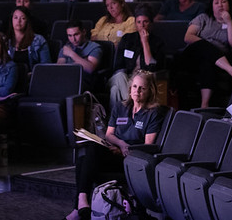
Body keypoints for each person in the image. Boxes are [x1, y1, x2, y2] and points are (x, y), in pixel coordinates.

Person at [69, 70, 164, 220]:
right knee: (89, 148)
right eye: (134, 86)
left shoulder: (154, 113)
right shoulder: (121, 107)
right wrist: (121, 145)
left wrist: (125, 150)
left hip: (132, 160)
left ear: (150, 90)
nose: (137, 91)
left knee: (84, 164)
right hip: (117, 152)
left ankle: (78, 207)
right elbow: (109, 135)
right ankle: (81, 203)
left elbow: (148, 146)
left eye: (142, 88)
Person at [180, 0, 232, 108]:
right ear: (212, 6)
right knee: (205, 46)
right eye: (216, 2)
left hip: (215, 60)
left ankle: (204, 105)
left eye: (223, 2)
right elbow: (188, 37)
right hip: (193, 55)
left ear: (229, 5)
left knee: (207, 63)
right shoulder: (203, 18)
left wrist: (229, 22)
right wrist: (206, 44)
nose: (220, 5)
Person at [110, 5, 165, 106]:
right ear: (135, 24)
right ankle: (132, 106)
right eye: (139, 22)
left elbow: (151, 67)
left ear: (151, 24)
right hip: (125, 77)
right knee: (120, 76)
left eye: (145, 22)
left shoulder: (157, 42)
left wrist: (145, 43)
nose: (142, 25)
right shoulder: (127, 39)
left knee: (114, 91)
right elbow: (118, 66)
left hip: (143, 79)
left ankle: (120, 118)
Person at [58, 19, 103, 92]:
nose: (73, 39)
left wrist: (72, 54)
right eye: (70, 36)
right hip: (65, 80)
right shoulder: (66, 48)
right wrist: (82, 61)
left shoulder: (95, 47)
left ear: (84, 32)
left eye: (76, 34)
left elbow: (90, 69)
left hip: (84, 82)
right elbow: (59, 67)